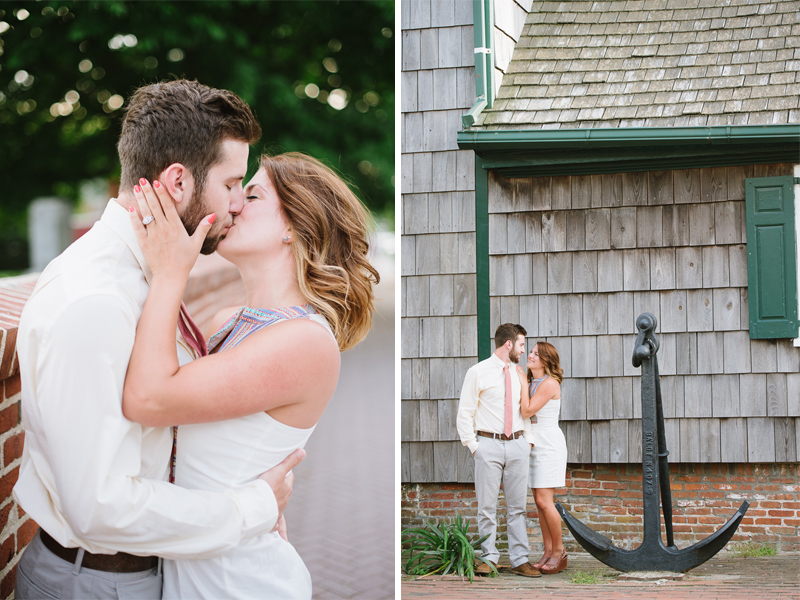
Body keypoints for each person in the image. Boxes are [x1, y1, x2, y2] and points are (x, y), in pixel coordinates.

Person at [13, 80, 303, 600]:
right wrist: (253, 508)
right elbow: (100, 505)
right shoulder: (96, 301)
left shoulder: (149, 272)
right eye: (233, 183)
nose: (238, 203)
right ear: (178, 182)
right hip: (98, 582)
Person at [120, 150, 378, 598]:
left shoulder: (305, 341)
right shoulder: (228, 320)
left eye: (252, 194)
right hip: (193, 571)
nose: (233, 203)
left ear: (294, 227)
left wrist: (170, 273)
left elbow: (150, 400)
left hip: (239, 582)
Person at [456, 323, 541, 577]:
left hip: (517, 445)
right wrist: (474, 447)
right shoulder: (478, 372)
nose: (524, 351)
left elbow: (524, 411)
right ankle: (488, 558)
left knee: (518, 507)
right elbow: (465, 413)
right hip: (488, 445)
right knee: (487, 507)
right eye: (522, 345)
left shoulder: (519, 374)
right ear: (509, 344)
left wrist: (528, 442)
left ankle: (519, 559)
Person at [520, 341, 568, 575]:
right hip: (532, 443)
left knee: (544, 501)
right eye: (530, 351)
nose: (530, 355)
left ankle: (559, 552)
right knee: (539, 503)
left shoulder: (550, 383)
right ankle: (547, 551)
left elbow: (527, 410)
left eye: (536, 354)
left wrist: (520, 382)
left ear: (546, 360)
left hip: (548, 444)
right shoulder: (530, 382)